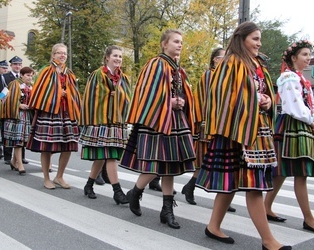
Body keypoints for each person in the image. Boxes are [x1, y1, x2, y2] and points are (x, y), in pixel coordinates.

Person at [195, 22, 291, 250]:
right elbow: (222, 98)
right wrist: (254, 101)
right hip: (237, 134)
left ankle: (213, 226)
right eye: (255, 39)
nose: (259, 43)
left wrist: (268, 102)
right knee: (253, 186)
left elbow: (264, 94)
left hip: (256, 132)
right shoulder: (230, 64)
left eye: (260, 39)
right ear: (242, 39)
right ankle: (268, 241)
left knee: (232, 182)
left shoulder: (257, 66)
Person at [120, 29, 196, 229]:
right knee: (156, 164)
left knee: (170, 165)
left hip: (175, 119)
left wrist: (181, 101)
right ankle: (135, 192)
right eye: (176, 41)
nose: (180, 45)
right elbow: (147, 93)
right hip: (157, 119)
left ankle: (166, 210)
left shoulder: (178, 68)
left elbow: (181, 91)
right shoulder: (156, 64)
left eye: (181, 42)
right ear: (165, 44)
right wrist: (169, 102)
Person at [264, 40, 314, 235]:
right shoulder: (288, 77)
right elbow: (294, 106)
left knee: (283, 171)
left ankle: (266, 207)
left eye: (309, 54)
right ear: (293, 58)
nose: (308, 57)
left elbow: (308, 106)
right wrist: (312, 121)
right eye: (304, 54)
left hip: (300, 124)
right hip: (293, 125)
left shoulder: (301, 79)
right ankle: (308, 219)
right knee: (297, 172)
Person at [181, 47, 236, 212]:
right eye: (223, 57)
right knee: (206, 162)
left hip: (224, 125)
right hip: (210, 125)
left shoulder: (228, 76)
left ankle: (221, 197)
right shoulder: (209, 75)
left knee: (221, 163)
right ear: (215, 60)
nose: (227, 61)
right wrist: (205, 122)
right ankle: (191, 187)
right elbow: (205, 101)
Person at [80, 45, 130, 205]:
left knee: (103, 157)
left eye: (120, 57)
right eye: (115, 56)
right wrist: (110, 94)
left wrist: (118, 95)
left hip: (116, 122)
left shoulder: (125, 78)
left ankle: (88, 185)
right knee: (110, 156)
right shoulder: (97, 74)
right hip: (101, 121)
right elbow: (92, 96)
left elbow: (128, 98)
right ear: (107, 57)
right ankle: (117, 191)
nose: (118, 59)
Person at [27, 43, 81, 190]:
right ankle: (46, 178)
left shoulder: (69, 73)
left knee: (68, 145)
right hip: (50, 113)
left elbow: (75, 92)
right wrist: (58, 93)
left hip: (66, 112)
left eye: (65, 53)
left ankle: (59, 176)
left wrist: (68, 94)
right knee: (47, 147)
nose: (62, 55)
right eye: (59, 53)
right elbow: (40, 92)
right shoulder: (46, 71)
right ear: (53, 55)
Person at [2, 66, 34, 175]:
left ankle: (13, 161)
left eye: (31, 75)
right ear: (21, 75)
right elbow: (4, 97)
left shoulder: (31, 87)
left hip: (27, 115)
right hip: (16, 115)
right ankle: (20, 165)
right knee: (18, 141)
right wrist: (18, 105)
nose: (30, 77)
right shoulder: (14, 84)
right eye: (27, 75)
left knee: (22, 140)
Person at [2, 56, 29, 165]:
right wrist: (1, 101)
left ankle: (20, 157)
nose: (17, 66)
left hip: (23, 110)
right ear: (11, 66)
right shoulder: (5, 77)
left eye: (19, 64)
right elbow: (2, 92)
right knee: (10, 133)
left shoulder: (26, 78)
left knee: (21, 134)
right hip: (9, 107)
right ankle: (8, 156)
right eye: (15, 64)